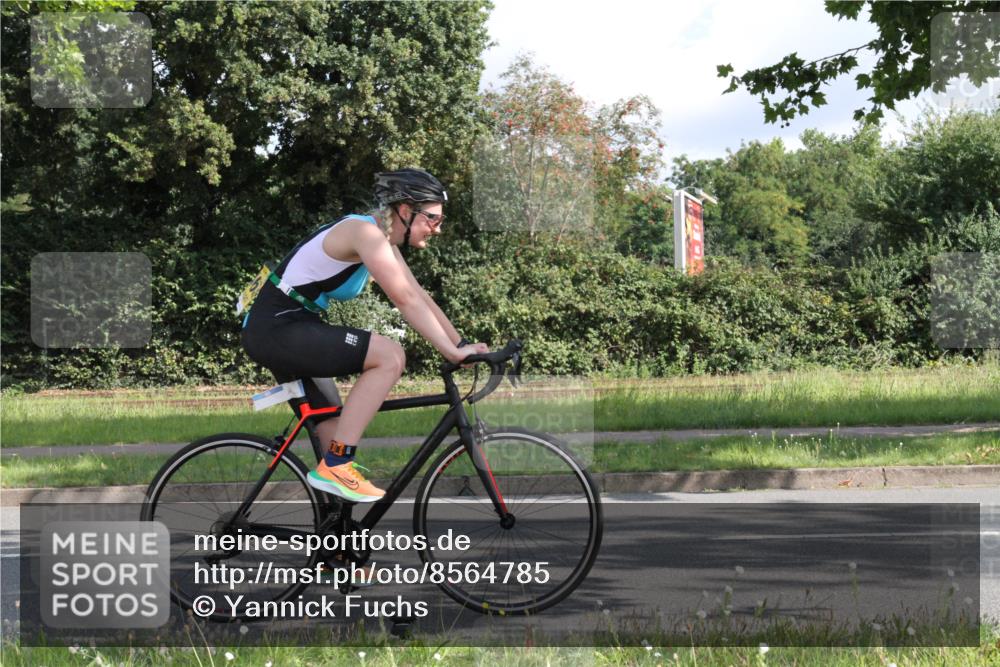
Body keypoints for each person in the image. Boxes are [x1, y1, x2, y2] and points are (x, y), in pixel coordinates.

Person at [241, 168, 488, 503]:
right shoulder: (365, 233)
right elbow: (404, 300)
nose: (437, 228)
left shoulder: (380, 236)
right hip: (277, 327)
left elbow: (418, 293)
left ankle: (339, 549)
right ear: (405, 210)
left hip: (293, 326)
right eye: (431, 218)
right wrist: (451, 352)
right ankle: (338, 464)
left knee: (334, 442)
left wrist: (459, 345)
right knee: (389, 355)